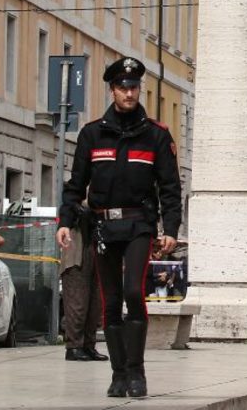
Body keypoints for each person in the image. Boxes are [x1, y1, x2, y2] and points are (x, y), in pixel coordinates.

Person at [56, 57, 181, 399]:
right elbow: (75, 184)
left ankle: (137, 373)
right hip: (102, 227)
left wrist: (169, 227)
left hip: (139, 224)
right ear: (112, 90)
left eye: (134, 87)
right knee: (110, 302)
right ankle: (119, 373)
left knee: (132, 293)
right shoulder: (92, 134)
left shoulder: (155, 135)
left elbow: (170, 187)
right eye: (123, 87)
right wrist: (65, 221)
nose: (129, 93)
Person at [58, 201, 107, 361]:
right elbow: (69, 210)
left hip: (97, 247)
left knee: (95, 303)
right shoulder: (76, 195)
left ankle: (88, 345)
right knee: (77, 302)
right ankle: (74, 346)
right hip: (77, 249)